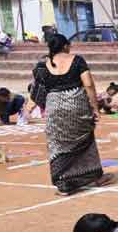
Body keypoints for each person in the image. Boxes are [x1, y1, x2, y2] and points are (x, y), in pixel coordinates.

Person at [35, 34, 113, 195]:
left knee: (57, 144)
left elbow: (38, 90)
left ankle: (63, 183)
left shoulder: (43, 65)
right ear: (64, 46)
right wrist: (95, 108)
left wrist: (33, 108)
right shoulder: (77, 60)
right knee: (86, 140)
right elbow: (89, 84)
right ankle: (96, 176)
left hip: (54, 107)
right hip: (77, 104)